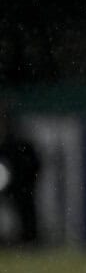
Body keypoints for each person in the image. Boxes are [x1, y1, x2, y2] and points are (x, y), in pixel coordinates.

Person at [0, 99, 41, 245]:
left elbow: (33, 165)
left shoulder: (18, 143)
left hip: (18, 184)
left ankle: (28, 239)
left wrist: (23, 181)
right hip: (9, 183)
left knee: (24, 202)